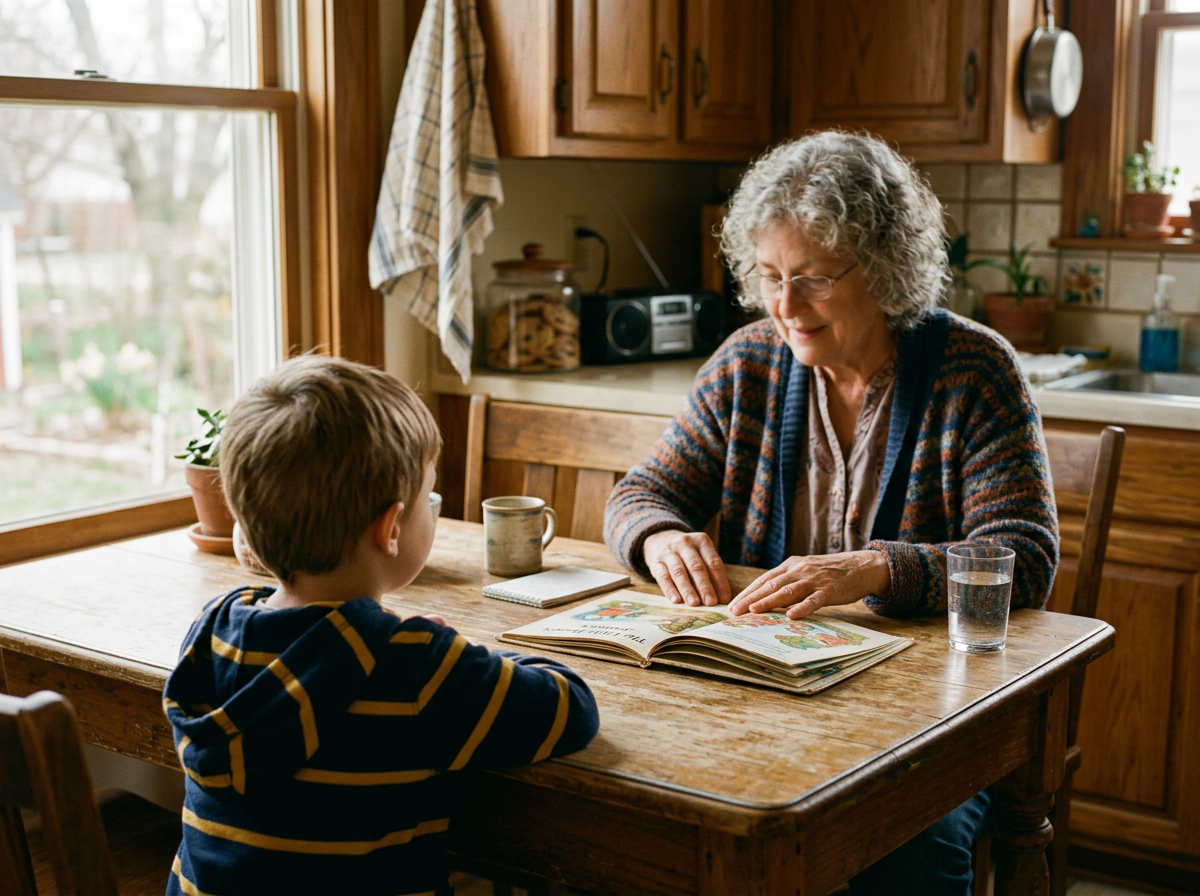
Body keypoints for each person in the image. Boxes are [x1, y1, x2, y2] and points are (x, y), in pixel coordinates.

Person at [603, 131, 1058, 895]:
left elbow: (1024, 560)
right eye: (770, 276)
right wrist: (659, 539)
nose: (784, 306)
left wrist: (875, 567)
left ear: (883, 271)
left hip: (932, 719)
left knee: (908, 854)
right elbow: (640, 495)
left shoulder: (974, 371)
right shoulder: (746, 364)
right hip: (769, 702)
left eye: (812, 278)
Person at [164, 355, 599, 896]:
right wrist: (449, 651)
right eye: (428, 500)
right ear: (392, 527)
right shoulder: (418, 666)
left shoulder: (210, 631)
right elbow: (570, 709)